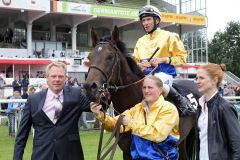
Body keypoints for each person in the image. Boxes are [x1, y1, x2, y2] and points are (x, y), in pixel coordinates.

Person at [14, 62, 91, 160]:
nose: (57, 79)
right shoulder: (33, 100)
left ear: (66, 78)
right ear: (47, 78)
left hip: (70, 154)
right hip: (42, 155)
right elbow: (22, 135)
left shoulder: (76, 94)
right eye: (53, 76)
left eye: (60, 76)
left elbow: (96, 106)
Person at [91, 76, 179, 159]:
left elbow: (157, 135)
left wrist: (130, 123)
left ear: (160, 90)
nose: (146, 91)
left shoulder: (169, 109)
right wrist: (100, 114)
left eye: (150, 87)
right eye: (144, 87)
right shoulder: (137, 108)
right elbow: (114, 124)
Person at [133, 5, 192, 116]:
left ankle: (181, 101)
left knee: (154, 84)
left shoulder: (170, 36)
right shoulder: (140, 41)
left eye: (148, 19)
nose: (145, 23)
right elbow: (135, 63)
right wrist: (140, 65)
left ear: (157, 20)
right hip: (144, 76)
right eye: (143, 20)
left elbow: (182, 58)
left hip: (164, 74)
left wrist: (163, 60)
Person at [195, 63, 240, 160]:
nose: (197, 81)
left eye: (201, 78)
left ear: (214, 80)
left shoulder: (225, 107)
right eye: (196, 78)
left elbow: (237, 145)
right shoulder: (200, 106)